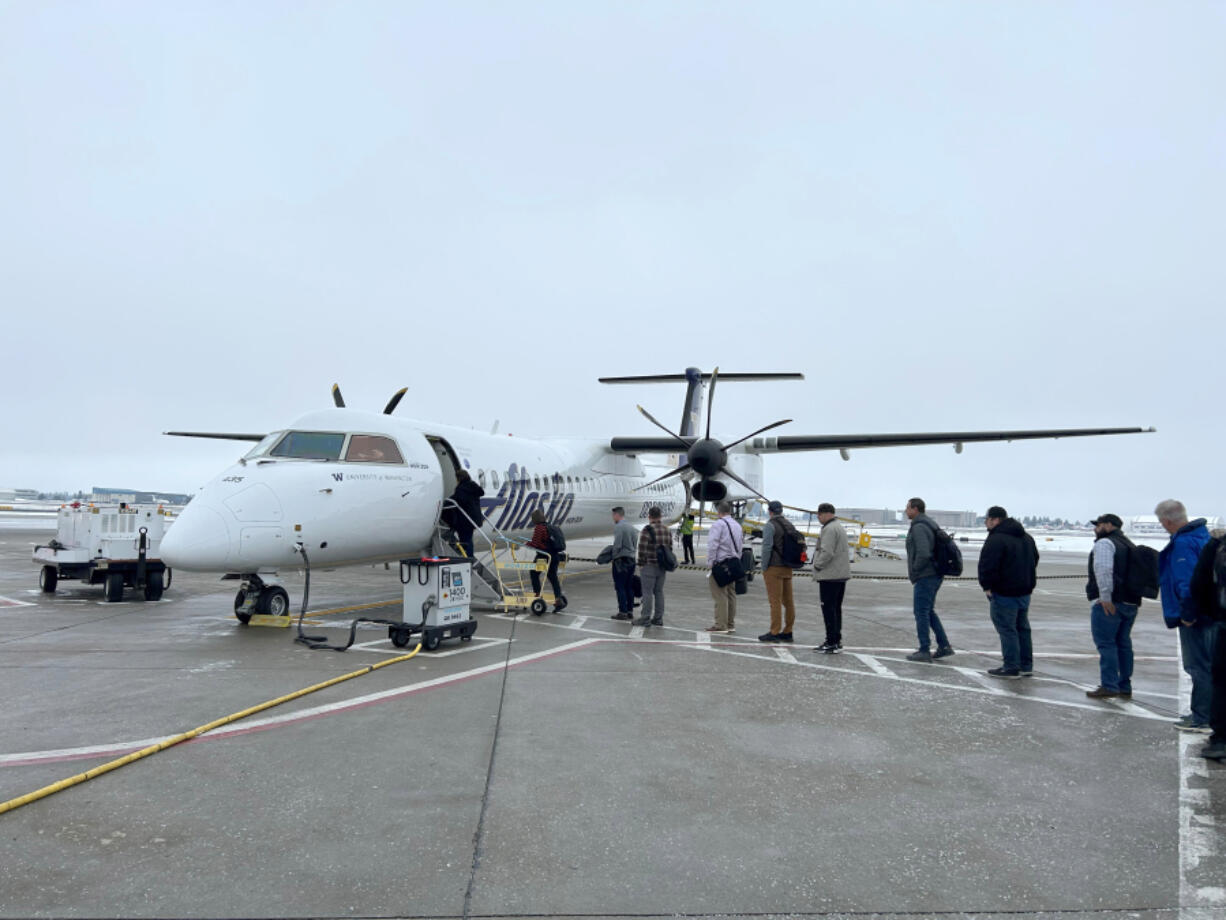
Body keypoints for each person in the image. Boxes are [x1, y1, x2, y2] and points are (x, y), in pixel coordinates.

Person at [1155, 500, 1213, 732]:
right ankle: (1207, 713)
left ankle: (1202, 717)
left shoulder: (1183, 544)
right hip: (1210, 612)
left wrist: (1187, 613)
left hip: (1195, 615)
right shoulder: (1203, 537)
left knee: (1198, 666)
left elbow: (1187, 582)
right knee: (1208, 664)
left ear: (1167, 521)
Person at [977, 506, 1039, 679]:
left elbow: (988, 564)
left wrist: (987, 586)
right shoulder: (1026, 537)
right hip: (1024, 590)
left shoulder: (996, 539)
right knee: (1022, 628)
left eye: (987, 519)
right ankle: (1026, 665)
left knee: (1007, 629)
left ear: (996, 520)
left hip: (1004, 591)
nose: (986, 522)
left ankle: (1011, 665)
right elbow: (1034, 559)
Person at [1085, 513, 1141, 699]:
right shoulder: (1128, 543)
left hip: (1111, 602)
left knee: (1106, 644)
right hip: (1130, 601)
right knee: (1123, 644)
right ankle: (1124, 684)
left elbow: (1103, 570)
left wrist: (1105, 597)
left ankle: (1109, 685)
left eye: (1098, 524)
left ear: (1108, 525)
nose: (1095, 528)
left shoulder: (1105, 544)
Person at [1189, 530, 1226, 761]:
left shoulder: (1218, 546)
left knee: (1221, 682)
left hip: (1223, 623)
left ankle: (1221, 740)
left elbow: (1198, 582)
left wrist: (1207, 613)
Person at [904, 497, 955, 662]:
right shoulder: (929, 524)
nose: (906, 510)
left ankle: (924, 649)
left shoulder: (919, 527)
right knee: (928, 611)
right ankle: (944, 645)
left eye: (908, 507)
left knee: (921, 612)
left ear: (915, 509)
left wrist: (916, 570)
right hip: (933, 574)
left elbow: (924, 553)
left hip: (926, 576)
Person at [758, 500, 802, 642]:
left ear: (770, 511)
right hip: (788, 566)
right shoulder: (789, 524)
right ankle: (788, 630)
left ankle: (774, 631)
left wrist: (764, 567)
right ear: (781, 511)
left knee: (775, 601)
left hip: (774, 567)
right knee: (788, 601)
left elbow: (767, 547)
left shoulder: (770, 525)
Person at [811, 502, 850, 653]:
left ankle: (831, 641)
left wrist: (817, 565)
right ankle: (836, 640)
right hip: (840, 575)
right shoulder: (839, 526)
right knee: (836, 609)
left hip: (830, 575)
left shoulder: (829, 529)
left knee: (828, 609)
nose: (818, 518)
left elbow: (827, 552)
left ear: (825, 513)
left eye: (819, 515)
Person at [706, 500, 743, 634]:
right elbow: (740, 545)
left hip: (721, 564)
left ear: (719, 512)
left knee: (720, 594)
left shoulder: (718, 525)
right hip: (733, 563)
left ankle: (720, 625)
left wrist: (710, 563)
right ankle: (730, 623)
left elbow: (713, 545)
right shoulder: (737, 525)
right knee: (731, 594)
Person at [634, 506, 672, 627]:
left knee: (647, 592)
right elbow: (670, 549)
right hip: (662, 567)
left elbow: (642, 549)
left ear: (649, 517)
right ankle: (658, 618)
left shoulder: (647, 530)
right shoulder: (667, 530)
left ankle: (645, 618)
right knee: (659, 592)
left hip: (649, 565)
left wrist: (640, 564)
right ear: (660, 516)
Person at [526, 508, 566, 613]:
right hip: (554, 556)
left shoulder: (539, 528)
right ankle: (558, 598)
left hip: (543, 557)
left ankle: (537, 595)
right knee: (553, 577)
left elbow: (535, 544)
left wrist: (526, 543)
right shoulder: (550, 527)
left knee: (533, 573)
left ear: (534, 520)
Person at [447, 469, 484, 559]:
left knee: (465, 540)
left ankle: (468, 558)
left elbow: (459, 499)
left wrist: (447, 500)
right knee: (468, 539)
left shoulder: (461, 488)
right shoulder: (473, 485)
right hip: (474, 518)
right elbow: (480, 493)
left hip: (465, 520)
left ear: (458, 478)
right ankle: (468, 557)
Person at [610, 506, 637, 620]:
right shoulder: (631, 527)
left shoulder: (619, 527)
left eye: (613, 515)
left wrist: (613, 557)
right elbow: (635, 542)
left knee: (620, 587)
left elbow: (617, 545)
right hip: (631, 559)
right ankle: (630, 611)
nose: (612, 517)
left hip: (621, 561)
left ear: (617, 515)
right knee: (628, 587)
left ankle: (622, 612)